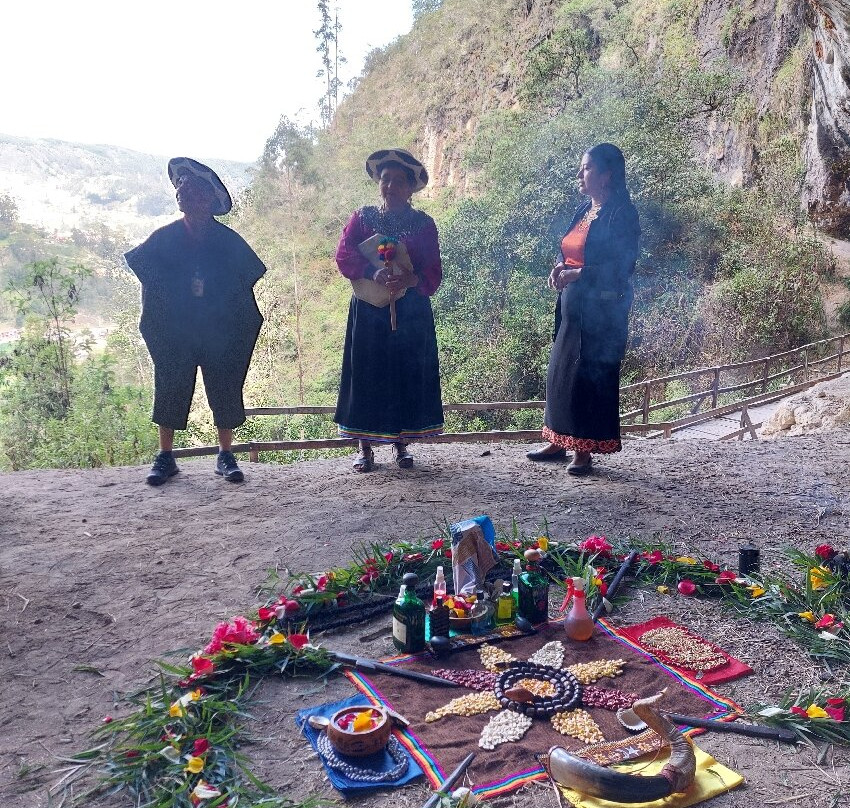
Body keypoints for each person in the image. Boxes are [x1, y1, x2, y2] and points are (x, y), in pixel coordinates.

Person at [125, 157, 266, 486]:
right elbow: (148, 274)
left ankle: (225, 454)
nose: (183, 193)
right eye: (181, 188)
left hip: (220, 328)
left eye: (191, 189)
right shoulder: (164, 238)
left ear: (209, 198)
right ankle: (165, 456)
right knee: (171, 383)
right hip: (177, 329)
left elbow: (246, 278)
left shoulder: (229, 242)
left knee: (225, 385)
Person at [527, 143, 640, 475]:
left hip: (602, 312)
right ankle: (559, 440)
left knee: (587, 376)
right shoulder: (584, 210)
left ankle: (584, 449)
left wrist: (579, 273)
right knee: (561, 372)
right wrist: (559, 267)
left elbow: (622, 266)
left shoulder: (622, 214)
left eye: (587, 168)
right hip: (573, 305)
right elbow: (567, 249)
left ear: (606, 175)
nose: (580, 174)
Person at [334, 148, 444, 471]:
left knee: (402, 374)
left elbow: (433, 271)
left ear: (411, 188)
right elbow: (344, 255)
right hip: (369, 311)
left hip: (409, 313)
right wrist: (373, 273)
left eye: (399, 181)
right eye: (385, 179)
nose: (391, 186)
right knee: (367, 374)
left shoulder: (423, 225)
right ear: (378, 183)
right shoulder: (362, 218)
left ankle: (401, 445)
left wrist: (410, 278)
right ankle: (364, 448)